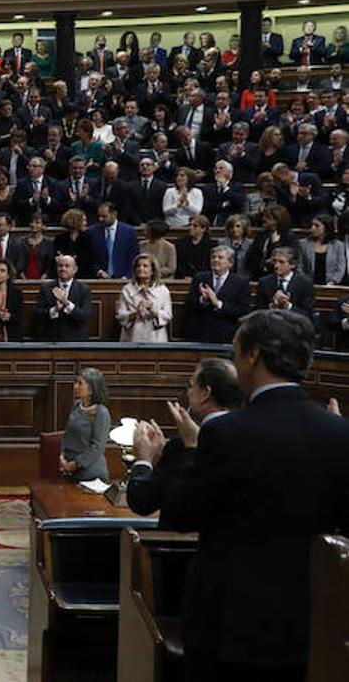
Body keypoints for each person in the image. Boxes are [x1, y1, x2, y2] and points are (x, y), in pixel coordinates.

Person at [163, 310, 349, 681]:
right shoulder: (340, 433)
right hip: (312, 621)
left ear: (253, 355)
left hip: (231, 624)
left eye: (235, 351)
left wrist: (187, 448)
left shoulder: (227, 433)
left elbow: (181, 515)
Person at [129, 357, 242, 528]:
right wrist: (163, 454)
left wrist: (144, 459)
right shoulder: (251, 436)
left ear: (205, 393)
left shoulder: (183, 446)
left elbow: (142, 501)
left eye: (190, 386)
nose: (187, 393)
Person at [185, 245, 250, 343]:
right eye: (213, 257)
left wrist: (218, 304)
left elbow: (242, 311)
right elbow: (189, 304)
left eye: (220, 257)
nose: (215, 260)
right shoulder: (200, 278)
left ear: (230, 263)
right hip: (201, 332)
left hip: (227, 334)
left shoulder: (241, 282)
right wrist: (202, 300)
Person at [60, 367, 110, 482]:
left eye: (80, 383)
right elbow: (67, 433)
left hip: (90, 472)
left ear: (92, 389)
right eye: (75, 382)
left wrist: (76, 464)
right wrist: (61, 456)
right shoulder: (76, 406)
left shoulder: (101, 412)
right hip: (69, 469)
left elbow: (97, 447)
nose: (75, 386)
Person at [33, 254, 92, 341]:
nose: (63, 269)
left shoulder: (84, 289)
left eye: (67, 266)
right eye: (60, 266)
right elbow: (37, 313)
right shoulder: (46, 287)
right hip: (50, 338)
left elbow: (85, 316)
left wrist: (67, 303)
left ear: (75, 269)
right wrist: (55, 309)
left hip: (75, 339)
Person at [117, 254, 172, 342]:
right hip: (132, 337)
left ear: (153, 271)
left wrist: (153, 310)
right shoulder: (127, 289)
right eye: (138, 266)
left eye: (145, 266)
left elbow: (168, 316)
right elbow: (120, 316)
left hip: (155, 338)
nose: (140, 268)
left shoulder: (163, 290)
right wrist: (136, 313)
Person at [255, 247, 316, 322]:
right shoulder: (264, 282)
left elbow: (308, 315)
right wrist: (272, 306)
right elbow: (258, 311)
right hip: (270, 326)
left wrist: (287, 306)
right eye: (274, 261)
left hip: (294, 326)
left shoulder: (305, 283)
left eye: (281, 262)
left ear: (292, 265)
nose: (276, 266)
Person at [88, 201, 138, 279]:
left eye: (104, 216)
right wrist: (98, 271)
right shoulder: (92, 232)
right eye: (99, 216)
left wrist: (127, 276)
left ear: (114, 214)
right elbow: (89, 257)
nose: (100, 219)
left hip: (124, 279)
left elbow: (134, 256)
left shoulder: (128, 232)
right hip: (99, 280)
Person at [300, 214, 346, 285]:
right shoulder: (303, 244)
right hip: (307, 284)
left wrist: (332, 282)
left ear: (326, 227)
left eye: (317, 226)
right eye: (312, 225)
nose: (313, 228)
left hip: (331, 286)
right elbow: (300, 266)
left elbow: (340, 268)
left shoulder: (338, 245)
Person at [175, 215, 216, 279]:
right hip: (184, 277)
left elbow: (209, 265)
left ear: (203, 229)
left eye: (195, 226)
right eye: (190, 225)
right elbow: (179, 263)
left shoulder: (211, 245)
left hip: (204, 277)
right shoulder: (181, 243)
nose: (191, 228)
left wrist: (197, 277)